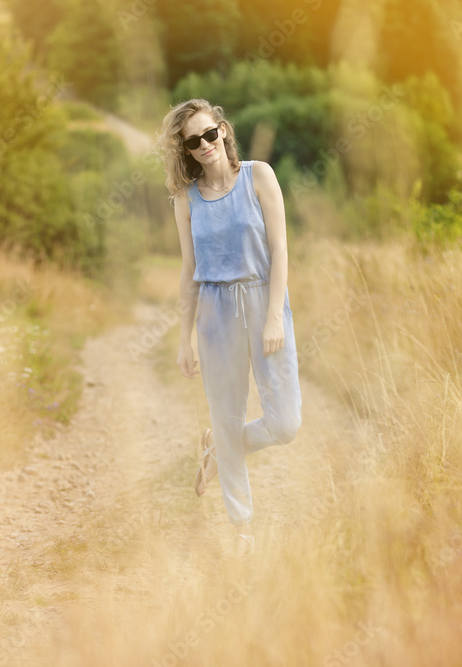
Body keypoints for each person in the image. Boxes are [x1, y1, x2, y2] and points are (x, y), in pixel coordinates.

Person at [155, 99, 302, 553]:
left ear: (223, 130)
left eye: (209, 134)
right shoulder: (187, 199)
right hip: (215, 314)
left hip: (263, 301)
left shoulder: (260, 176)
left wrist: (274, 314)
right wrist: (184, 339)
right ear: (186, 151)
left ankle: (220, 446)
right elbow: (188, 270)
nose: (204, 146)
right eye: (193, 142)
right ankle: (242, 530)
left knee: (286, 423)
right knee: (227, 413)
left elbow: (279, 250)